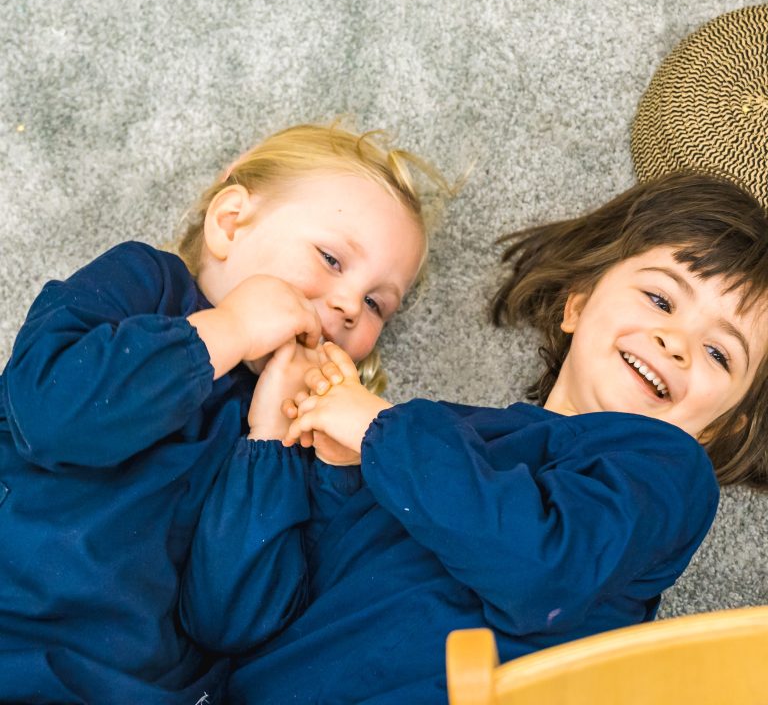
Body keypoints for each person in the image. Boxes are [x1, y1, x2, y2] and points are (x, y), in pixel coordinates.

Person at [181, 173, 768, 704]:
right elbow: (228, 623)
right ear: (579, 304)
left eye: (719, 353)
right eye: (661, 299)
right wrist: (271, 446)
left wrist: (376, 430)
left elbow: (543, 573)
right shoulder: (431, 440)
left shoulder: (663, 470)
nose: (675, 342)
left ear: (721, 425)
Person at [0, 122, 446, 704]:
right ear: (230, 222)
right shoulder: (143, 284)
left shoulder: (301, 444)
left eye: (375, 304)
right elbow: (48, 414)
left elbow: (230, 624)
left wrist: (269, 442)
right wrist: (224, 333)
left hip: (136, 683)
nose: (346, 306)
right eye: (332, 259)